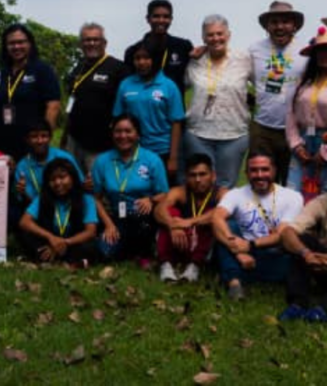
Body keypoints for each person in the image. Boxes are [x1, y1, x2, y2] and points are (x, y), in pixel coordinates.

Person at [212, 152, 302, 300]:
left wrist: (250, 245)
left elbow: (282, 234)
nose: (259, 175)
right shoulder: (236, 194)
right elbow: (217, 217)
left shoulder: (293, 197)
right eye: (254, 170)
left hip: (276, 254)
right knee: (226, 227)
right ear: (246, 173)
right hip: (244, 257)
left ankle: (233, 274)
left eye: (265, 169)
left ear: (274, 170)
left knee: (296, 244)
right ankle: (235, 285)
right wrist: (237, 251)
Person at [184, 14, 252, 188]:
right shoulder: (194, 61)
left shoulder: (244, 59)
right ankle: (201, 215)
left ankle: (223, 216)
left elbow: (263, 85)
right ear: (203, 38)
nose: (216, 38)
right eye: (210, 35)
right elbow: (176, 88)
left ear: (228, 35)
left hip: (234, 134)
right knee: (200, 185)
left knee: (225, 186)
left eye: (220, 33)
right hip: (198, 134)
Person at [92, 114, 169, 267]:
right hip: (116, 218)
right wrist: (108, 224)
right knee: (104, 252)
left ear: (138, 135)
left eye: (128, 131)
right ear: (112, 134)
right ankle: (132, 250)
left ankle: (144, 250)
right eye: (118, 131)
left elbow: (165, 194)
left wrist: (151, 200)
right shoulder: (102, 161)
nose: (123, 136)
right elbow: (95, 198)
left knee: (142, 228)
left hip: (144, 218)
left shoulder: (152, 160)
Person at [249, 0, 307, 185]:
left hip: (297, 129)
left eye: (285, 22)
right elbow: (237, 76)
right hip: (262, 128)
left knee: (292, 182)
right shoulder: (254, 50)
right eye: (274, 22)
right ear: (267, 26)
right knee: (262, 180)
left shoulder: (306, 51)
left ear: (295, 25)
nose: (279, 27)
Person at [63, 22, 129, 174]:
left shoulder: (118, 68)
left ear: (104, 43)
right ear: (81, 44)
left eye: (95, 39)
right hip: (75, 139)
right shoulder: (78, 68)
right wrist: (65, 137)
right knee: (73, 182)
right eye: (87, 40)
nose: (91, 43)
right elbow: (71, 103)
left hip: (101, 144)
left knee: (96, 187)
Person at [113, 40, 184, 181]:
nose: (141, 62)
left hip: (162, 151)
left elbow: (177, 122)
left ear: (155, 59)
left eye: (146, 58)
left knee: (162, 195)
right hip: (133, 151)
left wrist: (173, 158)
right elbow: (118, 119)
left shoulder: (169, 86)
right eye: (137, 58)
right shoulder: (126, 84)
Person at [0, 23, 61, 161]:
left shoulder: (42, 70)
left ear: (30, 44)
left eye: (21, 42)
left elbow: (53, 106)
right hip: (2, 141)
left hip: (31, 143)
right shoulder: (1, 72)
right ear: (6, 46)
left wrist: (43, 140)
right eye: (11, 43)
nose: (16, 47)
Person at [154, 153, 227, 282]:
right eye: (193, 175)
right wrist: (172, 225)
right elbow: (159, 209)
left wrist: (189, 222)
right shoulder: (180, 191)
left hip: (207, 247)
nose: (198, 179)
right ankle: (166, 265)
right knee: (170, 211)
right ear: (186, 178)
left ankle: (195, 266)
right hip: (181, 242)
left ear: (213, 176)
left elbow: (222, 211)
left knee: (214, 215)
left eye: (203, 174)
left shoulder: (221, 193)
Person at [19, 158, 98, 264]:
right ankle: (60, 257)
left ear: (73, 178)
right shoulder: (42, 198)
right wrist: (51, 238)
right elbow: (24, 222)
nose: (57, 183)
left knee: (91, 245)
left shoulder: (86, 199)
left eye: (62, 177)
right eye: (52, 179)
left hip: (73, 242)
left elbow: (90, 232)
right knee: (26, 235)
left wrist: (64, 242)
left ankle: (53, 256)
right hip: (49, 241)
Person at [285, 26, 327, 202]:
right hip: (303, 140)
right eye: (319, 51)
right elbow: (290, 114)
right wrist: (296, 145)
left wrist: (325, 151)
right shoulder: (304, 81)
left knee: (323, 197)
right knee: (294, 193)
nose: (323, 55)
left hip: (325, 141)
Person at [124, 0, 193, 95]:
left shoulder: (183, 46)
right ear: (148, 19)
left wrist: (205, 50)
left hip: (174, 106)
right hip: (146, 106)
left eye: (166, 17)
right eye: (156, 16)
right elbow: (129, 84)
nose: (161, 20)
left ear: (171, 19)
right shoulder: (133, 51)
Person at [279, 192, 327, 321]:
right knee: (301, 240)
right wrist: (306, 253)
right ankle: (298, 303)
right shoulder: (322, 202)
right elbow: (288, 232)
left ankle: (323, 309)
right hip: (321, 261)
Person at [15, 120, 83, 207]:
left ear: (50, 138)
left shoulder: (65, 157)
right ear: (27, 140)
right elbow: (29, 203)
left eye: (44, 136)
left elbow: (79, 187)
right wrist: (23, 193)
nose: (40, 141)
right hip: (39, 211)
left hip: (67, 208)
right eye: (34, 137)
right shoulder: (22, 166)